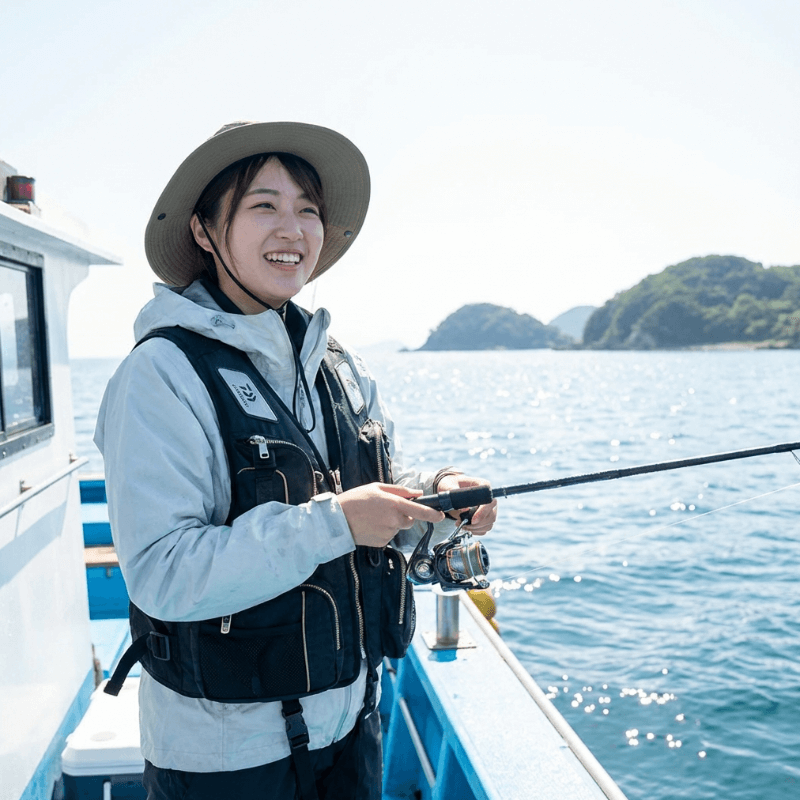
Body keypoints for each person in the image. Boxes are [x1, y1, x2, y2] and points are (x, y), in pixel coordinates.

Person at [94, 121, 497, 800]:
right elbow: (163, 574)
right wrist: (336, 523)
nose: (293, 229)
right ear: (202, 230)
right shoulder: (160, 374)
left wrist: (437, 497)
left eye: (307, 209)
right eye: (264, 206)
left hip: (351, 720)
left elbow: (370, 495)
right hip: (226, 760)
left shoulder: (336, 363)